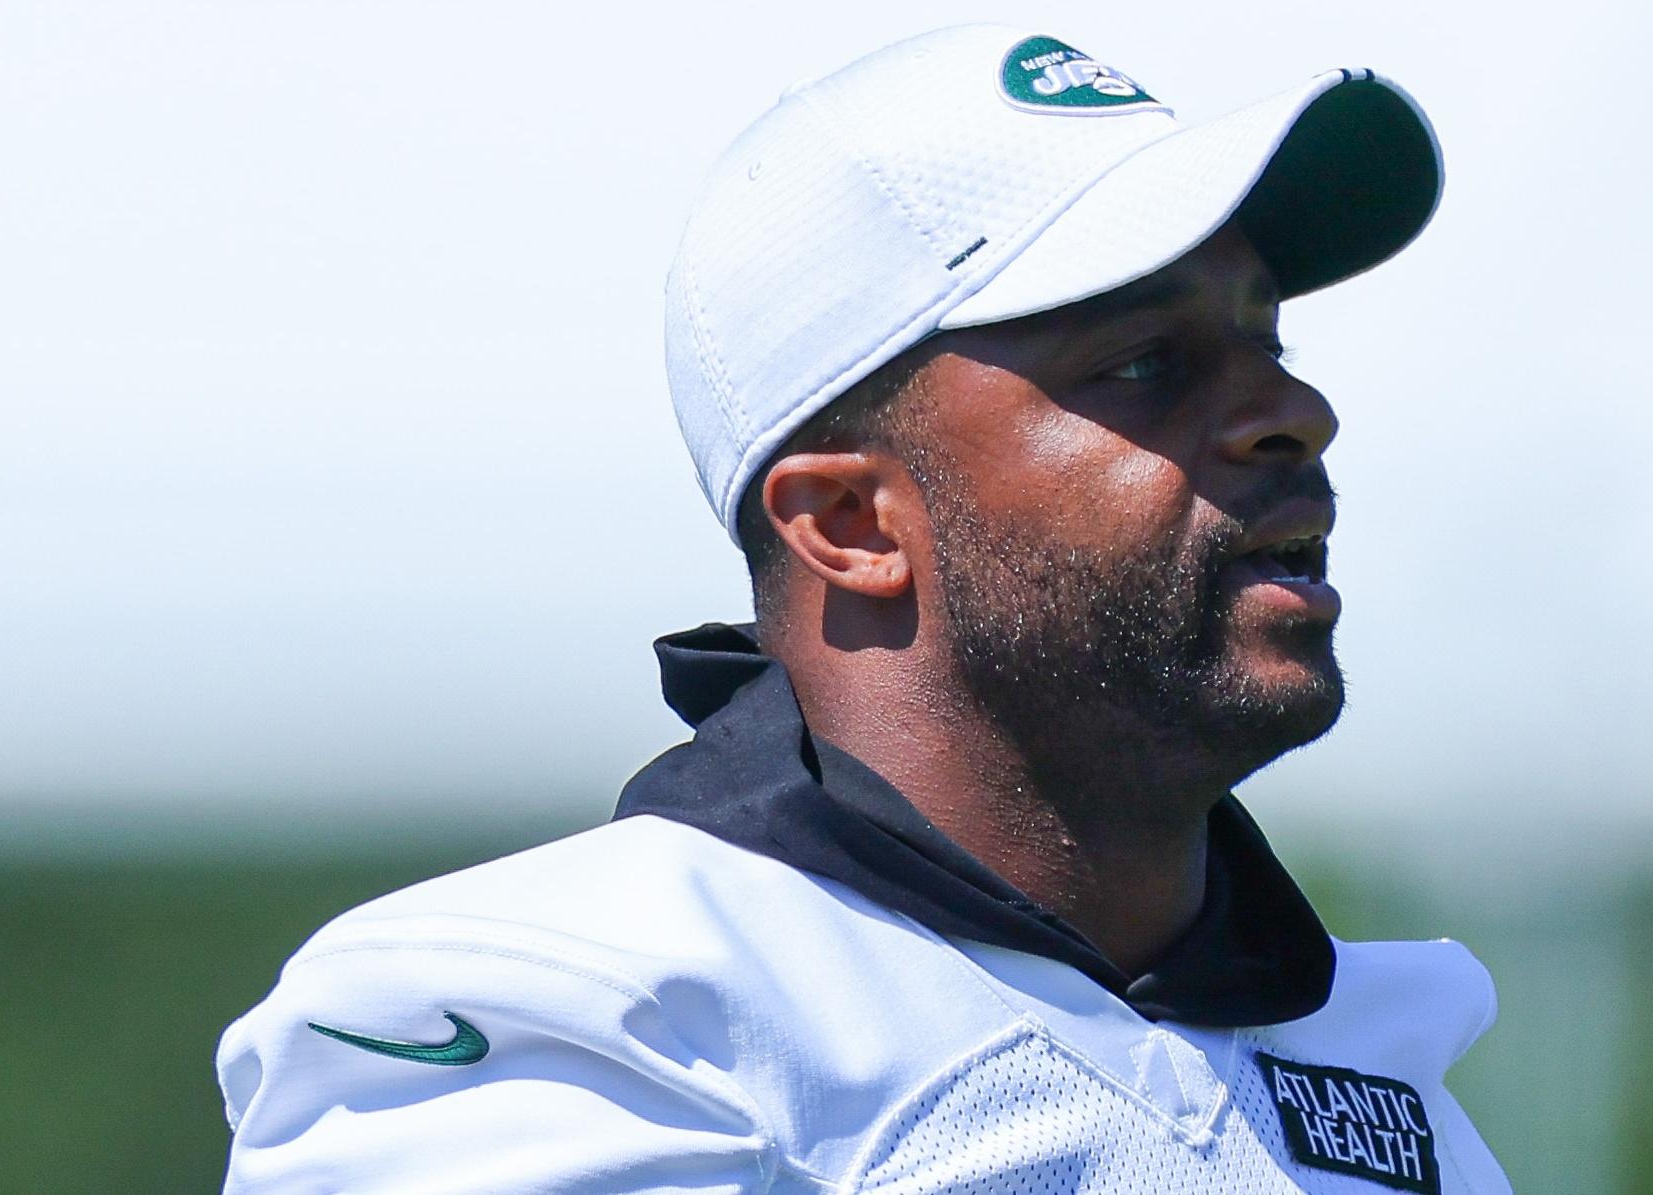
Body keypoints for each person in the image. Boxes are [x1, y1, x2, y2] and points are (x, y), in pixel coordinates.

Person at [217, 24, 1511, 1194]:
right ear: (849, 526)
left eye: (1268, 344)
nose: (1296, 413)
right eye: (1146, 363)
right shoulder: (571, 1014)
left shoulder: (1388, 1070)